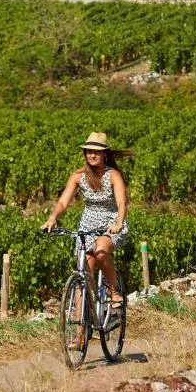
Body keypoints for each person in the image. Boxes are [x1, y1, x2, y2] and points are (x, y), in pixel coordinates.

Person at [41, 132, 129, 318]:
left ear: (105, 154)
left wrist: (119, 222)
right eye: (89, 151)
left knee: (101, 251)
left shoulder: (113, 175)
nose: (92, 155)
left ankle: (114, 293)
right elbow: (64, 202)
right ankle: (81, 332)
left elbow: (122, 203)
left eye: (96, 152)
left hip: (111, 222)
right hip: (87, 224)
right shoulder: (78, 176)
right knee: (83, 273)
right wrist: (53, 217)